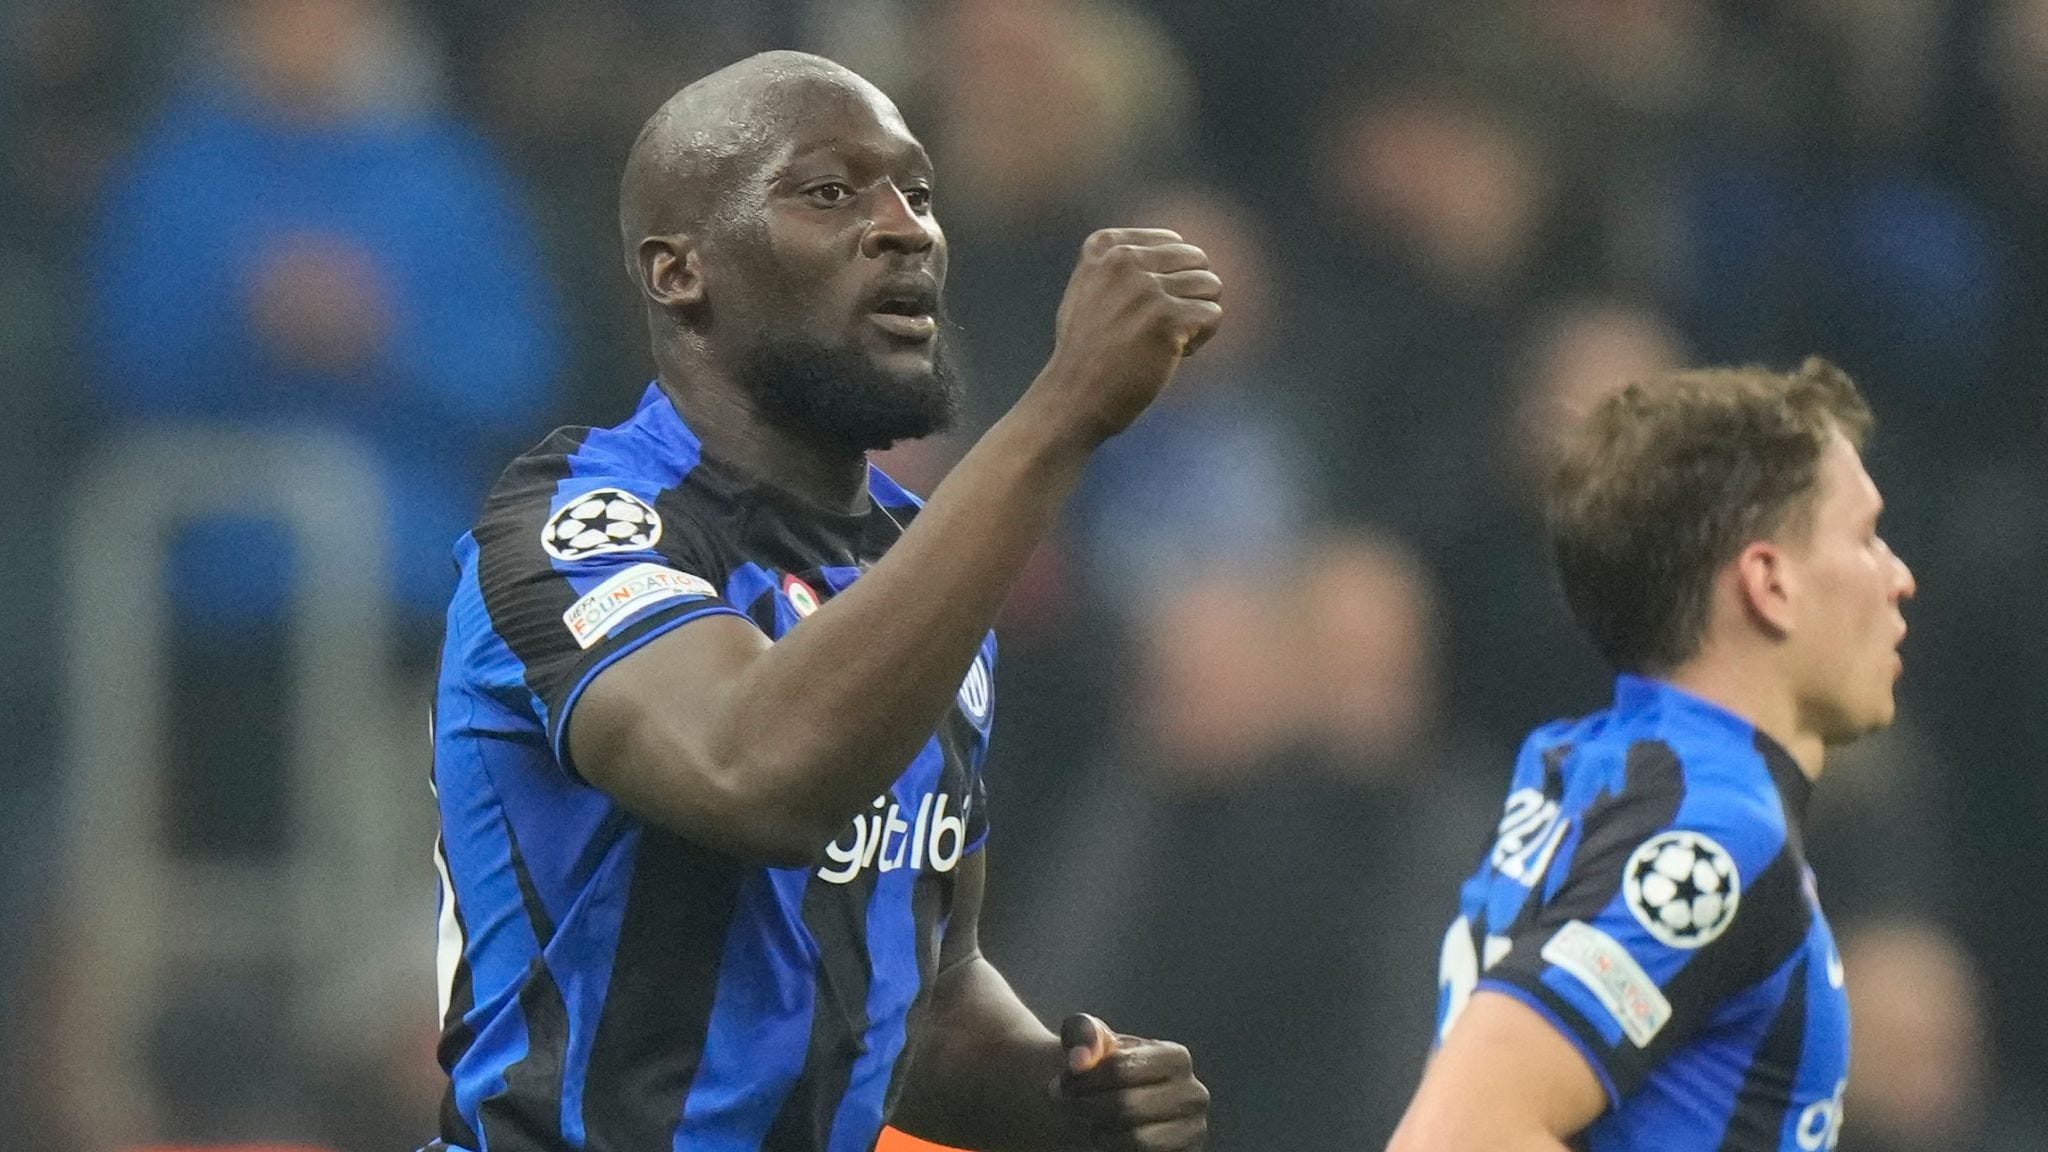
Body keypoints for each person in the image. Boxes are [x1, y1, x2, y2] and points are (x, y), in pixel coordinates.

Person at [424, 51, 1218, 1152]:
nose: (905, 229)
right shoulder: (574, 528)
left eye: (919, 194)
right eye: (829, 192)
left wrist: (1055, 1092)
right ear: (677, 273)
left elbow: (924, 995)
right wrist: (1058, 413)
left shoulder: (915, 561)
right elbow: (750, 774)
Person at [1389, 358, 1917, 1151]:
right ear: (1769, 582)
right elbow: (1459, 1137)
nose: (1899, 578)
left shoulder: (1592, 773)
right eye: (1867, 537)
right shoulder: (1710, 830)